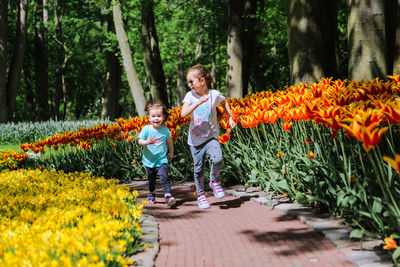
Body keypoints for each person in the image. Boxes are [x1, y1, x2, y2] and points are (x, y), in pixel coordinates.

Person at [181, 64, 236, 209]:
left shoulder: (214, 94)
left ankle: (214, 181)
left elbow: (224, 102)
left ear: (202, 80)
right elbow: (183, 113)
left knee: (218, 159)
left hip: (211, 136)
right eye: (188, 82)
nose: (189, 85)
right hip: (195, 140)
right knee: (198, 169)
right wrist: (198, 102)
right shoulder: (190, 96)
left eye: (192, 81)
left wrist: (229, 117)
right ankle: (201, 196)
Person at [138, 102, 176, 207]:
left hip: (162, 159)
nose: (156, 118)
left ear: (163, 117)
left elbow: (169, 142)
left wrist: (171, 152)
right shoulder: (146, 129)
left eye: (159, 116)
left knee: (164, 177)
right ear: (148, 118)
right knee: (151, 179)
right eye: (153, 116)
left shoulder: (165, 130)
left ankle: (168, 196)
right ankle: (151, 194)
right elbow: (139, 140)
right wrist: (146, 142)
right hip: (149, 160)